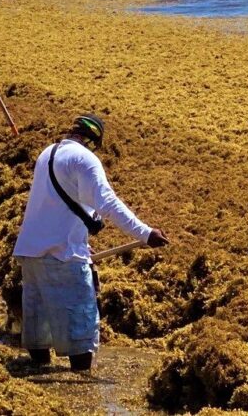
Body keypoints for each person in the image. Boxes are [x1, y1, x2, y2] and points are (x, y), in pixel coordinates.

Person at [13, 114, 169, 371]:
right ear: (93, 141)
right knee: (81, 338)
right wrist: (145, 233)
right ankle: (79, 390)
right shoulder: (85, 159)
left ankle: (38, 383)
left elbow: (54, 206)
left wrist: (79, 241)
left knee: (38, 334)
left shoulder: (47, 153)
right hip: (62, 257)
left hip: (30, 253)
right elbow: (107, 203)